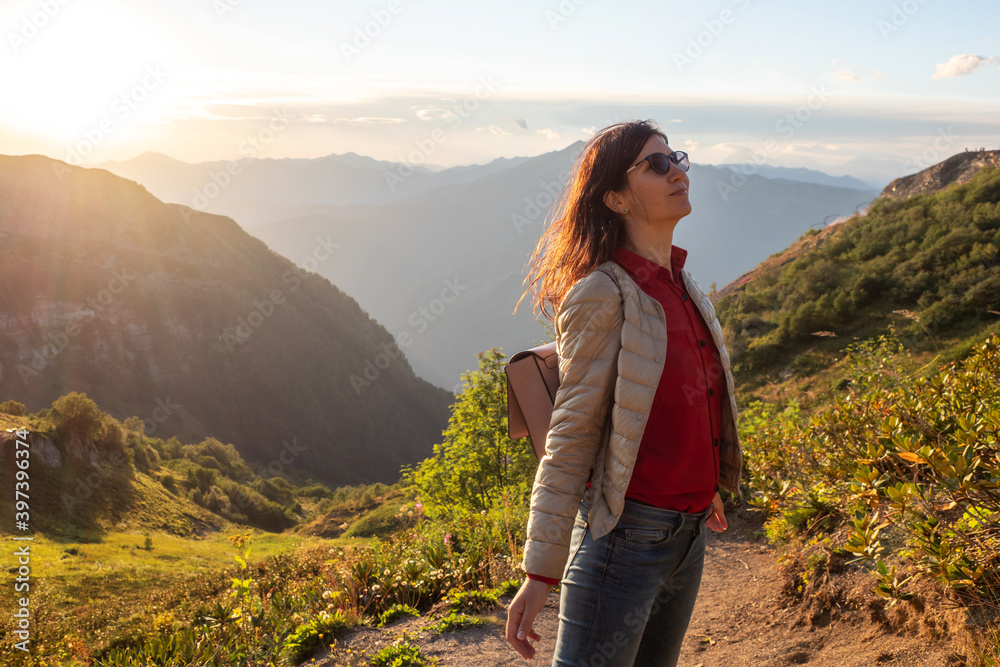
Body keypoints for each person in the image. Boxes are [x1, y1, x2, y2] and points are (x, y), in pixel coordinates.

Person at [505, 120, 744, 666]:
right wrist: (540, 572)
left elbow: (680, 403)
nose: (676, 171)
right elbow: (571, 435)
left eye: (675, 157)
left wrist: (704, 481)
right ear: (614, 197)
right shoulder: (602, 294)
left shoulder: (684, 286)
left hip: (686, 538)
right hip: (625, 542)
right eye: (655, 165)